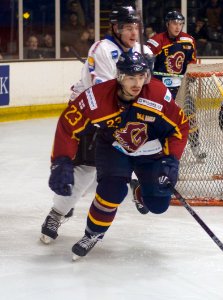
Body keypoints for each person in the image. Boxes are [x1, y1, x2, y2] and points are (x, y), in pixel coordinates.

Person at [48, 51, 188, 260]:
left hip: (150, 152)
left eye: (141, 77)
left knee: (158, 205)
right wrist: (61, 160)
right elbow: (68, 125)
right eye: (132, 77)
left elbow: (180, 127)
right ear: (120, 77)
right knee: (111, 191)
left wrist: (171, 160)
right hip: (115, 149)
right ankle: (93, 233)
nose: (137, 83)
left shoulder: (158, 94)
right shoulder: (97, 98)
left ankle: (140, 190)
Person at [40, 5, 153, 244]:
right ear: (115, 28)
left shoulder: (142, 50)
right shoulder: (103, 49)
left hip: (123, 115)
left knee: (127, 161)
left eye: (136, 27)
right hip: (93, 116)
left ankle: (129, 180)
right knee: (84, 173)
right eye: (128, 28)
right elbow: (105, 94)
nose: (134, 33)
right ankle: (57, 213)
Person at [145, 11, 205, 161]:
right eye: (174, 23)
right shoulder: (156, 42)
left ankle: (196, 148)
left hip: (181, 87)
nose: (177, 27)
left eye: (180, 24)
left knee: (190, 116)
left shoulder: (188, 40)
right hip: (160, 89)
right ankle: (158, 149)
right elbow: (145, 65)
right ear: (167, 24)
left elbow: (191, 61)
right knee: (160, 120)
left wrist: (190, 74)